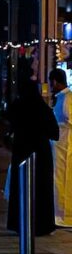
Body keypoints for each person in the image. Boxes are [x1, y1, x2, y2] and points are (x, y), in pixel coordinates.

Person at [3, 58, 59, 236]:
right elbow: (54, 132)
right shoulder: (43, 109)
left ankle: (19, 221)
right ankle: (42, 224)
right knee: (41, 189)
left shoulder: (18, 106)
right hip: (41, 153)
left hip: (22, 151)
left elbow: (7, 120)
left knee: (21, 187)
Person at [50, 67, 72, 227]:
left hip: (65, 145)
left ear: (55, 82)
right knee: (58, 177)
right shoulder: (62, 98)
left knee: (62, 177)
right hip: (59, 145)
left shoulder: (67, 99)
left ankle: (62, 215)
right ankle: (58, 213)